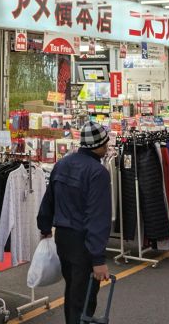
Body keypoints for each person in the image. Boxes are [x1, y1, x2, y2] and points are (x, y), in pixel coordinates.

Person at [37, 121, 111, 324]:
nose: (107, 146)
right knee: (84, 297)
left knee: (72, 291)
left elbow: (48, 200)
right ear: (97, 145)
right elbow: (97, 218)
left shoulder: (62, 164)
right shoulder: (98, 173)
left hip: (63, 239)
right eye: (105, 143)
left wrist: (45, 227)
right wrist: (98, 259)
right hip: (83, 243)